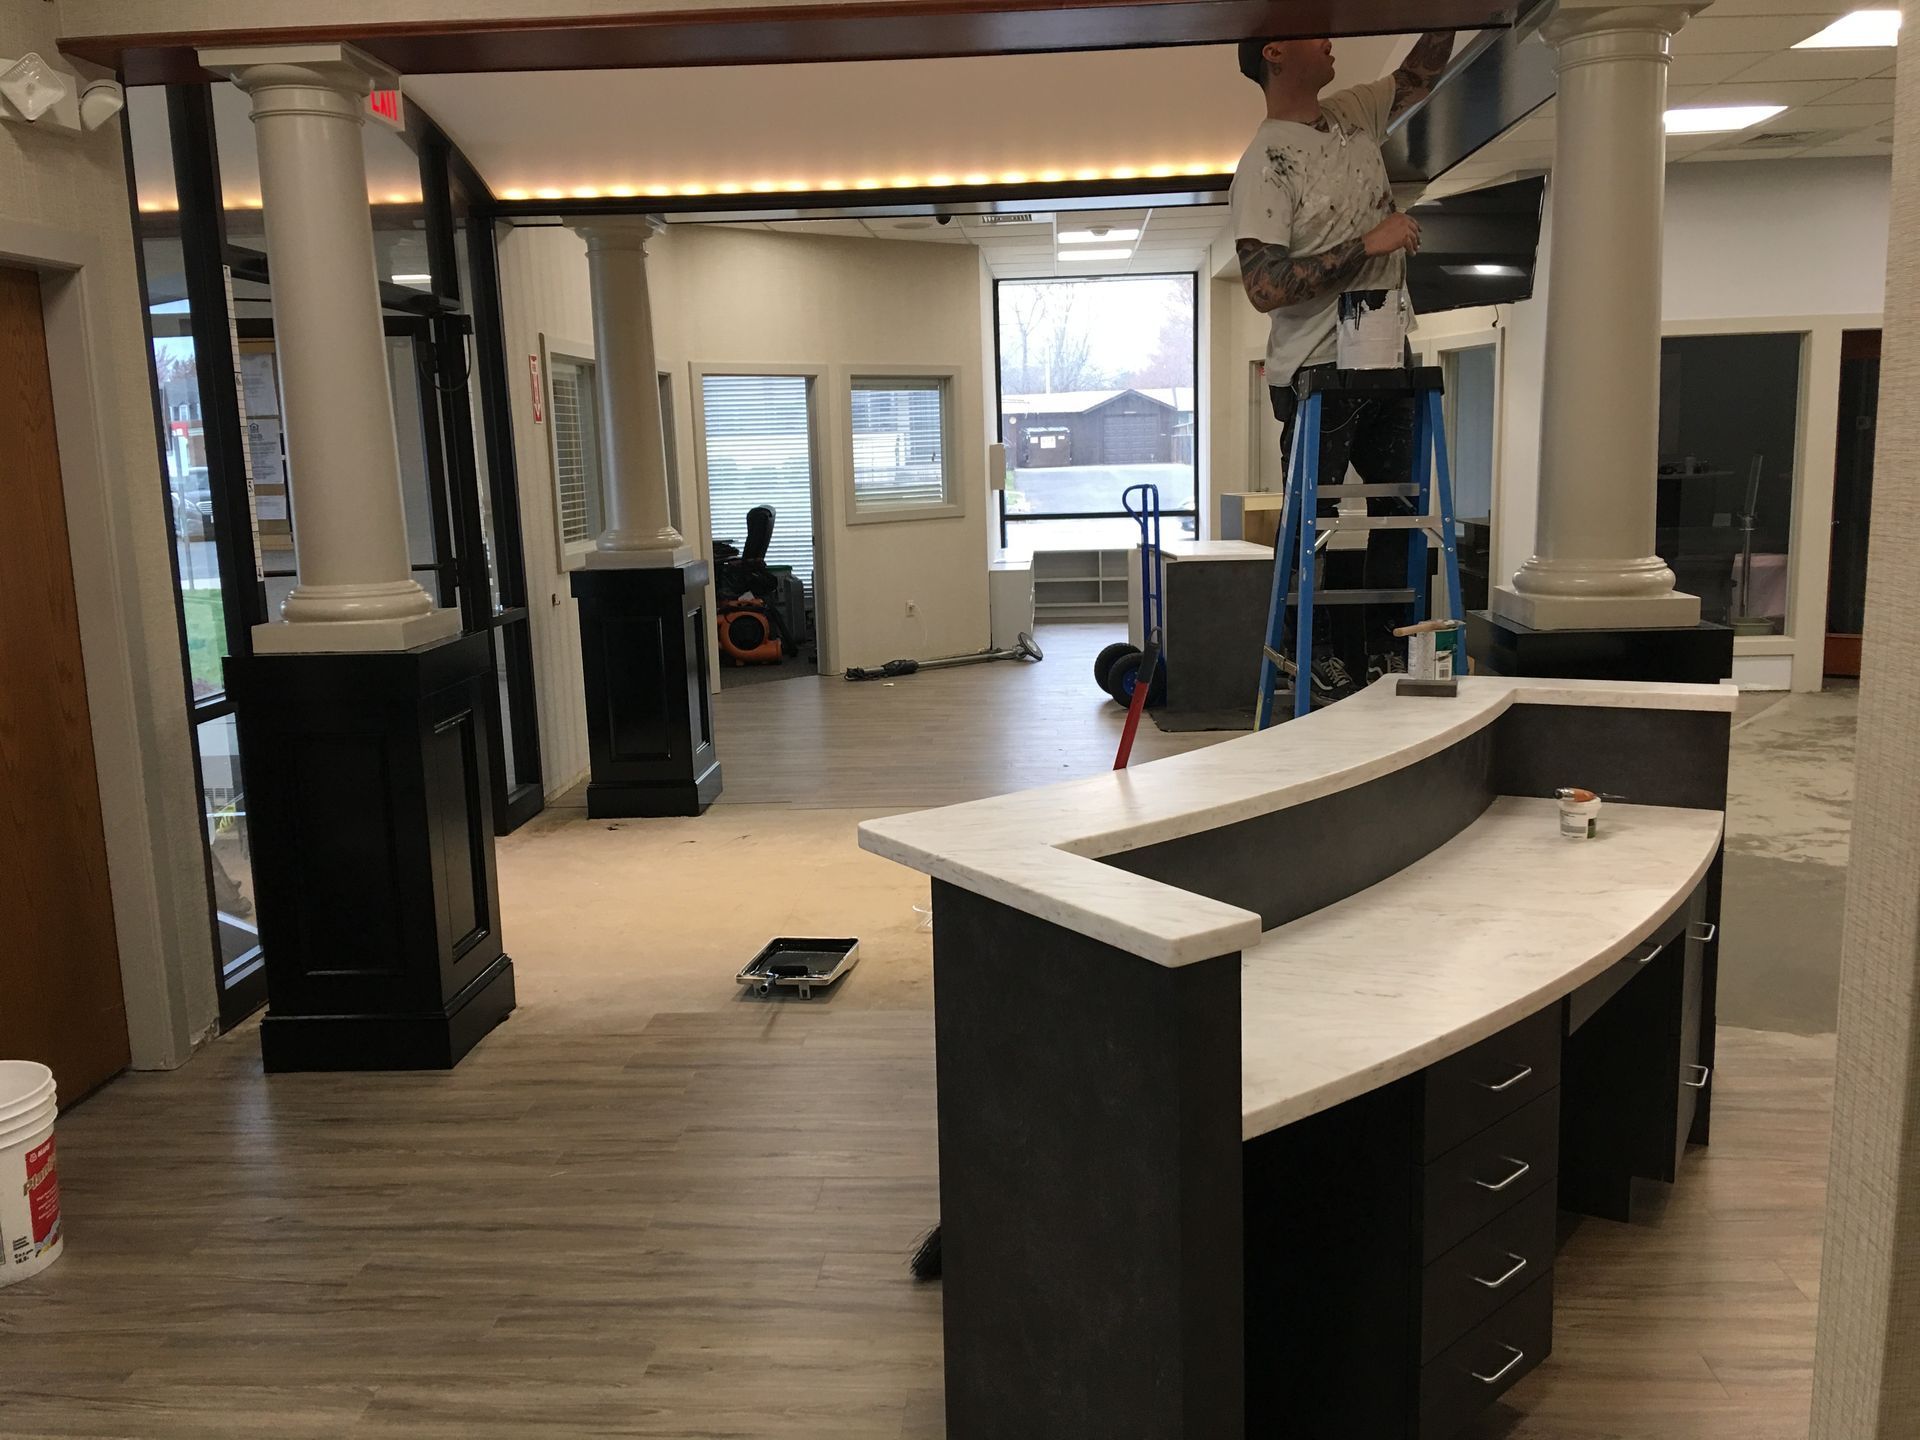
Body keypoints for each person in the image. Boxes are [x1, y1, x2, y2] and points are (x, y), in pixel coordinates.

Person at [1230, 31, 1456, 701]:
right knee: (1314, 523)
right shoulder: (1266, 163)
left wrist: (1444, 14)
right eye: (1310, 32)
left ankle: (1390, 647)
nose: (1328, 39)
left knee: (1398, 513)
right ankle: (1312, 652)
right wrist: (1369, 243)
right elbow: (1265, 286)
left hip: (1386, 356)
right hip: (1316, 373)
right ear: (1274, 52)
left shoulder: (1353, 113)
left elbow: (1418, 78)